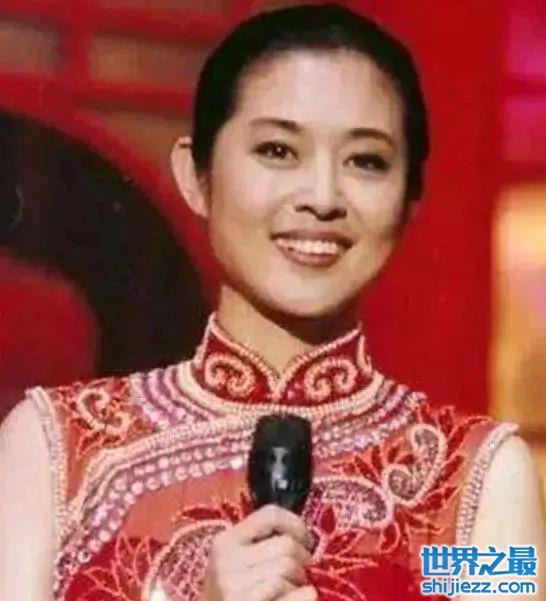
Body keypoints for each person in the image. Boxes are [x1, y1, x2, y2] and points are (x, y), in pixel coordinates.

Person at [1, 4, 544, 600]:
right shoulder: (56, 451)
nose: (322, 197)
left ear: (409, 201)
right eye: (278, 151)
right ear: (197, 175)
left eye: (366, 161)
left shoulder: (472, 481)